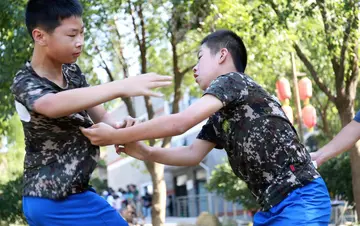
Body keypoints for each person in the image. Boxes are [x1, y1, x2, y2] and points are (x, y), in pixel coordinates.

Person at [81, 29, 331, 225]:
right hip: (272, 208)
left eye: (200, 58)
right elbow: (192, 154)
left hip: (301, 197)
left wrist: (116, 135)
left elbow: (181, 122)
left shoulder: (233, 81)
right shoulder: (221, 115)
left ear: (222, 55)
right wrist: (146, 152)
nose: (194, 68)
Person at [11, 0, 171, 225]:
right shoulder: (25, 81)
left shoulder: (72, 73)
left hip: (77, 192)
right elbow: (52, 105)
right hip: (52, 199)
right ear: (40, 36)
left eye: (82, 34)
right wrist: (121, 86)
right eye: (72, 35)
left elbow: (102, 116)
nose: (80, 42)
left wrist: (119, 127)